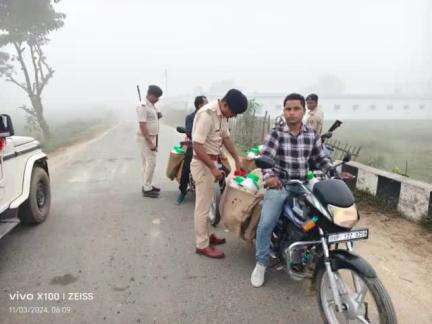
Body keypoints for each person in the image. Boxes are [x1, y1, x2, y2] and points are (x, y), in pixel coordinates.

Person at [250, 93, 334, 287]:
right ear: (284, 111)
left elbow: (321, 159)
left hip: (304, 184)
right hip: (281, 184)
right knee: (266, 222)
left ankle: (315, 258)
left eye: (296, 109)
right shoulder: (276, 133)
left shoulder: (311, 134)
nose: (292, 113)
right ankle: (261, 263)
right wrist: (270, 177)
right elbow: (266, 159)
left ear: (304, 111)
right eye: (288, 109)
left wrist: (333, 171)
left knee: (322, 218)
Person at [191, 89, 248, 259]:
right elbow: (197, 145)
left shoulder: (222, 115)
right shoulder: (207, 114)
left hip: (211, 162)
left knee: (208, 203)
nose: (234, 116)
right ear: (225, 104)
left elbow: (226, 138)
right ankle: (202, 244)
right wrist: (213, 168)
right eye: (234, 112)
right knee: (202, 206)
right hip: (203, 164)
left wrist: (237, 158)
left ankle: (208, 235)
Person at [177, 96, 208, 204]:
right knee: (186, 168)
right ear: (199, 105)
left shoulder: (209, 116)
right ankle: (182, 192)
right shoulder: (191, 117)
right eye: (206, 103)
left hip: (209, 146)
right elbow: (189, 132)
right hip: (194, 145)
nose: (208, 106)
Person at [136, 85, 163, 198]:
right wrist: (150, 142)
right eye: (157, 97)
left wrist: (157, 115)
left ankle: (148, 184)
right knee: (151, 162)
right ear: (151, 95)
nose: (158, 99)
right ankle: (147, 188)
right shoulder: (143, 106)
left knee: (147, 163)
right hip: (146, 138)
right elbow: (142, 125)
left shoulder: (151, 105)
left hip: (151, 137)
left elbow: (151, 118)